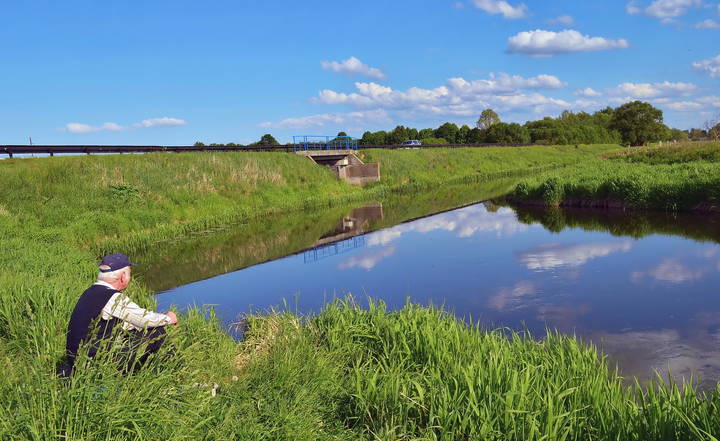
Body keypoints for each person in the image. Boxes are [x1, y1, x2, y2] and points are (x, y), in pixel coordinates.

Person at [59, 253, 178, 377]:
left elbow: (114, 323)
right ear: (123, 276)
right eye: (130, 273)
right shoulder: (113, 297)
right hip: (94, 364)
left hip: (77, 361)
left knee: (135, 331)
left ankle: (141, 373)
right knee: (156, 331)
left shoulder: (89, 292)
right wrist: (169, 318)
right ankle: (177, 372)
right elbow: (145, 320)